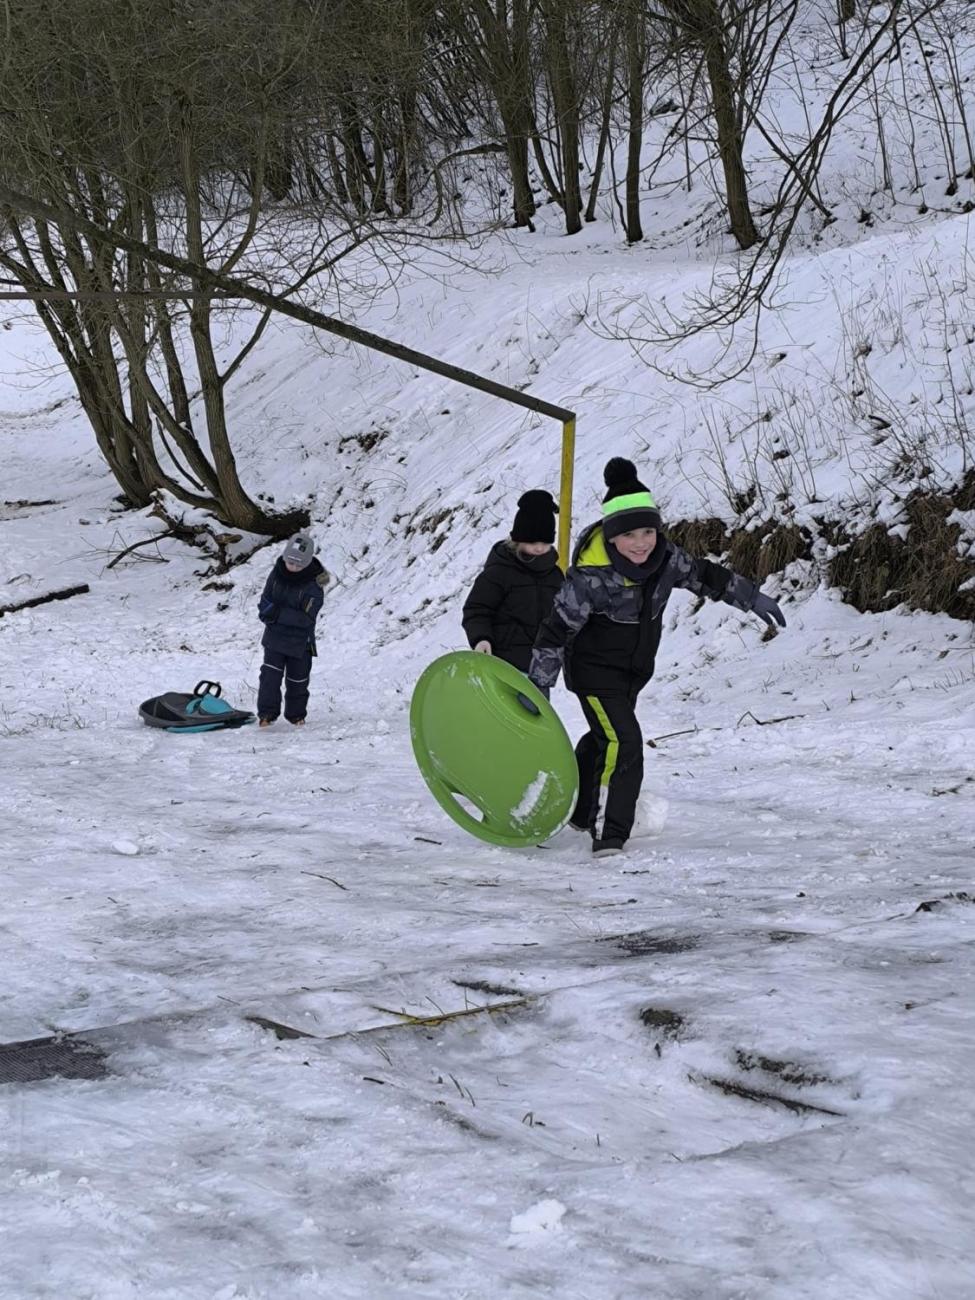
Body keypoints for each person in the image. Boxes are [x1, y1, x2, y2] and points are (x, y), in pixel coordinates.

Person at [528, 458, 786, 858]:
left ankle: (579, 812)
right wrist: (539, 682)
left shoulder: (665, 560)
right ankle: (608, 834)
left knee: (602, 740)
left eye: (648, 530)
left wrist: (748, 595)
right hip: (594, 673)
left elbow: (704, 575)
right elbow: (555, 630)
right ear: (612, 537)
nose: (641, 542)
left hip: (633, 671)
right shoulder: (590, 578)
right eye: (629, 534)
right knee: (624, 742)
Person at [462, 490, 563, 673]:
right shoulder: (499, 572)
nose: (540, 547)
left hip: (541, 668)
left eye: (545, 542)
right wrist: (481, 638)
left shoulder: (555, 575)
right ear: (519, 538)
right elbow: (477, 610)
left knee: (536, 703)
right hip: (503, 664)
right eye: (533, 542)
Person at [256, 534, 328, 727]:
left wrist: (277, 614)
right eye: (290, 562)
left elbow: (305, 618)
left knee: (298, 681)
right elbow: (264, 603)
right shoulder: (277, 573)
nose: (293, 567)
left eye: (298, 565)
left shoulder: (314, 585)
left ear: (307, 563)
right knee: (269, 678)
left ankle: (296, 715)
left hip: (300, 642)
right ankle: (266, 714)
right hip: (274, 638)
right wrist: (270, 613)